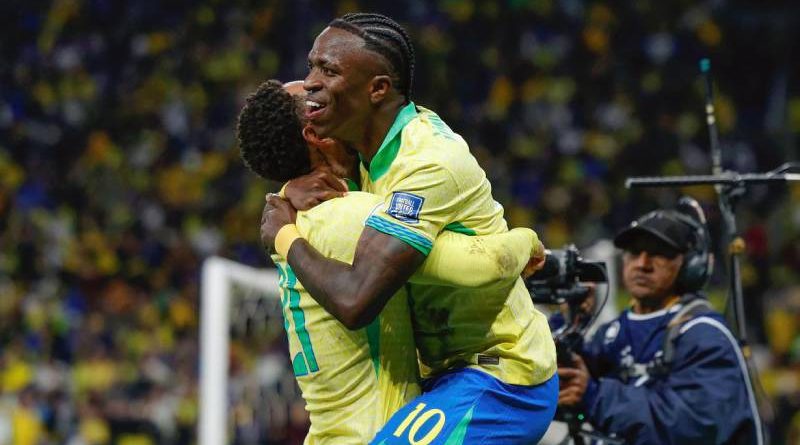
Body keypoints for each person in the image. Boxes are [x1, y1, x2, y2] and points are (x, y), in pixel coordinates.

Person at [260, 12, 557, 444]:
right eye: (311, 67)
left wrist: (284, 236)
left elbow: (356, 299)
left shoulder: (429, 162)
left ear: (377, 88)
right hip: (439, 380)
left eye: (328, 70)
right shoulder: (361, 154)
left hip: (500, 376)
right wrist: (289, 189)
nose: (310, 83)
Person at [556, 201, 763, 444]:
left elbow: (690, 428)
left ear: (691, 265)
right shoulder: (614, 332)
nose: (642, 264)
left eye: (659, 254)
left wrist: (595, 396)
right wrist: (571, 322)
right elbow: (563, 380)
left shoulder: (705, 335)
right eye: (634, 252)